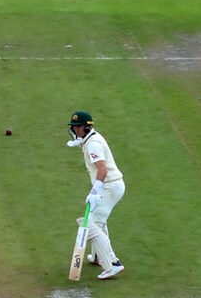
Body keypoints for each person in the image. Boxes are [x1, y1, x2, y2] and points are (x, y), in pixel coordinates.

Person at [67, 110, 126, 280]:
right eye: (74, 126)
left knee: (91, 225)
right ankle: (98, 256)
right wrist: (79, 142)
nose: (75, 129)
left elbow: (102, 169)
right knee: (99, 221)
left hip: (109, 186)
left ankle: (112, 264)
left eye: (78, 127)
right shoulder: (89, 139)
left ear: (86, 127)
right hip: (110, 186)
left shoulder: (93, 143)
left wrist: (95, 191)